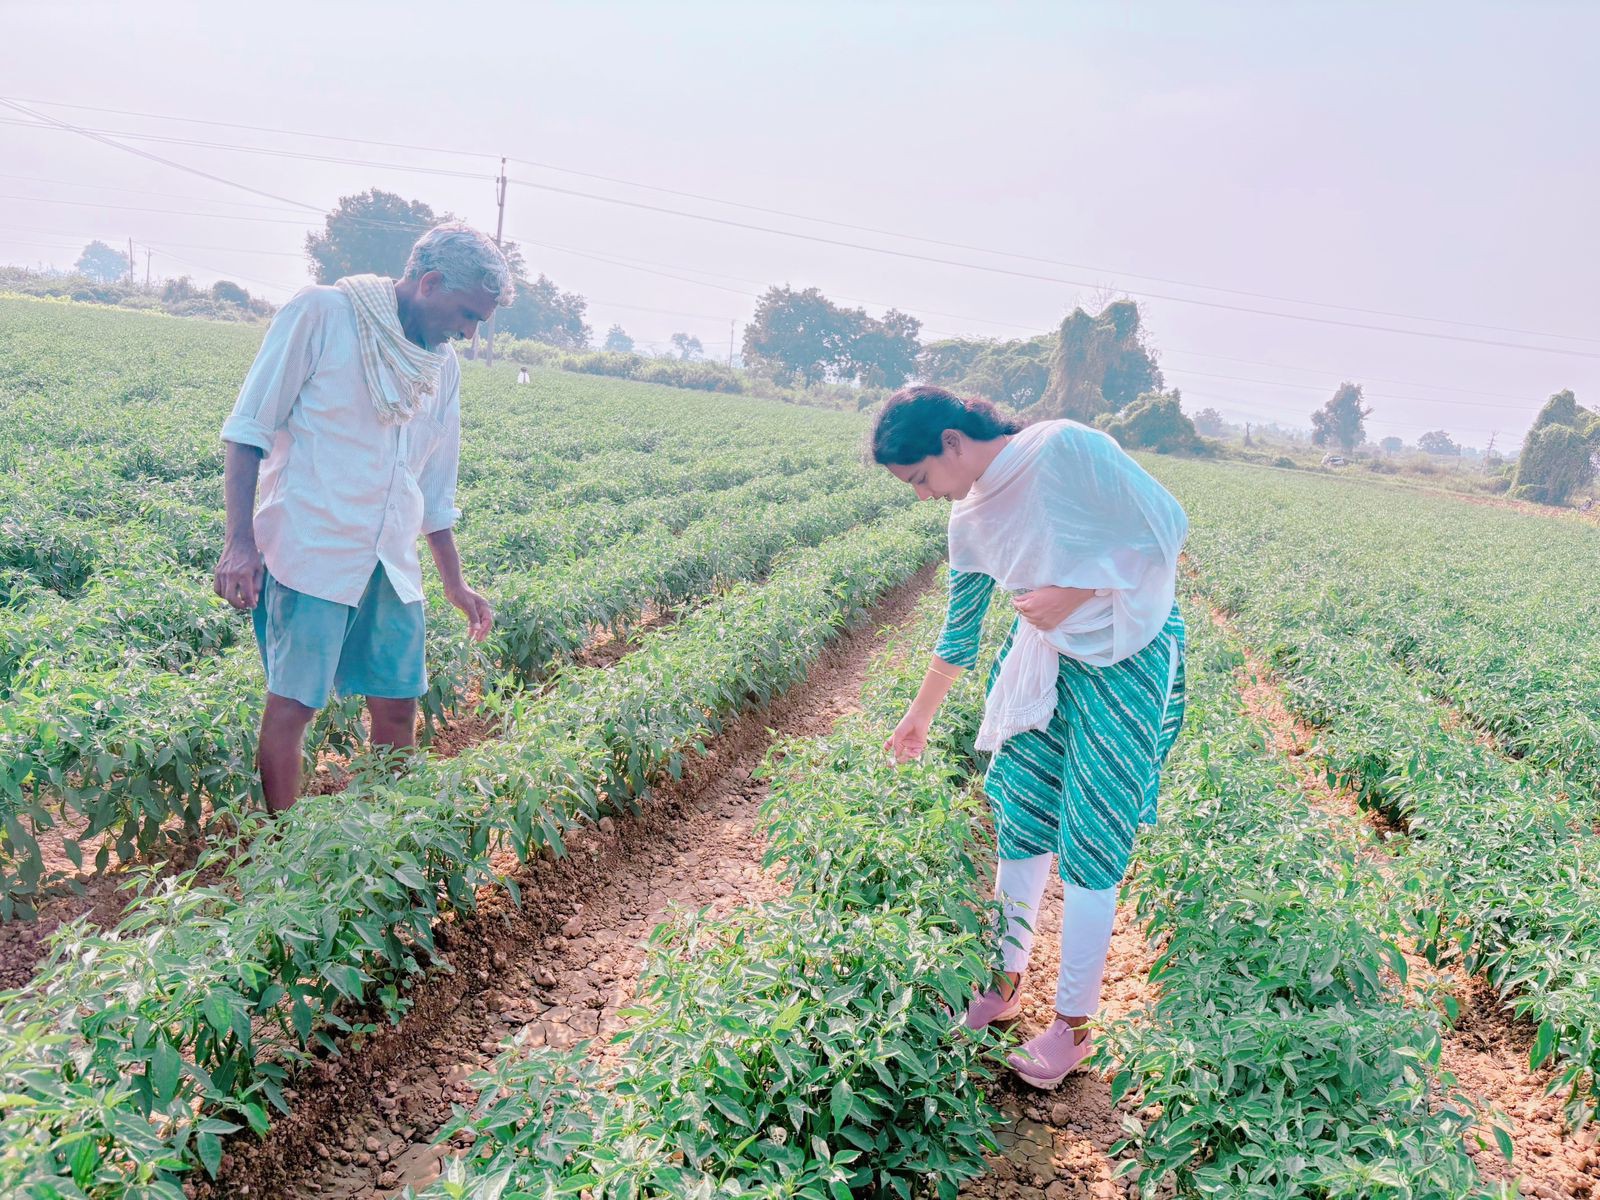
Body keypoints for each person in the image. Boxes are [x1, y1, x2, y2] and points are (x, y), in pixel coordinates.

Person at [875, 385, 1188, 1089]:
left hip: (1125, 657)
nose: (924, 495)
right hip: (1045, 659)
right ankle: (1002, 982)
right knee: (1021, 814)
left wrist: (1073, 593)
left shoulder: (1065, 448)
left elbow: (1164, 526)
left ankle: (1073, 1028)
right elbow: (960, 629)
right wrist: (919, 715)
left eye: (921, 477)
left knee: (1093, 836)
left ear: (952, 440)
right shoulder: (969, 518)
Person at [213, 223, 513, 813]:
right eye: (467, 314)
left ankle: (379, 843)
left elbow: (433, 484)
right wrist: (239, 542)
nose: (469, 332)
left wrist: (454, 581)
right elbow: (247, 431)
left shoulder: (441, 366)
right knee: (294, 706)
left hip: (391, 558)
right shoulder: (323, 313)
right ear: (428, 283)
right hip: (313, 548)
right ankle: (282, 848)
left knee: (399, 706)